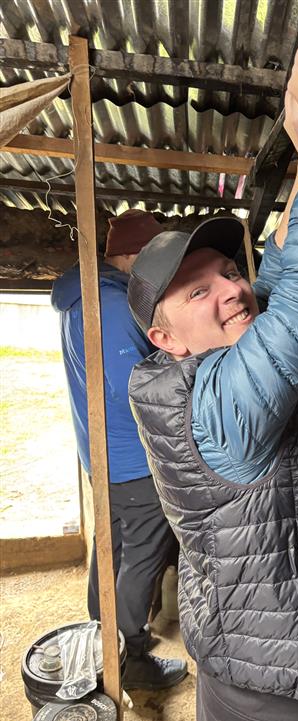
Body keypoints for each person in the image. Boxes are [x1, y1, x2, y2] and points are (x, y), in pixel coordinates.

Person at [127, 29, 298, 721]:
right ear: (163, 337)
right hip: (281, 688)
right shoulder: (219, 406)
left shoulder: (194, 382)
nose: (234, 289)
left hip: (249, 659)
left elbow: (278, 270)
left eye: (230, 272)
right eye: (197, 291)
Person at [51, 209, 187, 690]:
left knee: (110, 545)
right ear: (134, 256)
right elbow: (132, 384)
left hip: (104, 453)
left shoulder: (82, 295)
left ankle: (101, 632)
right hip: (131, 458)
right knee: (144, 553)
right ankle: (127, 658)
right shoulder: (110, 304)